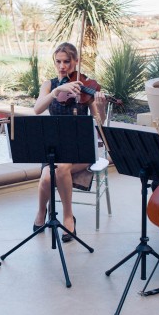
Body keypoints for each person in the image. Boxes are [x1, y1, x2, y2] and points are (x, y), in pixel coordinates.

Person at [32, 42, 107, 242]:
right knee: (48, 175)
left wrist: (100, 106)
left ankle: (67, 216)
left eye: (67, 62)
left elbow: (99, 123)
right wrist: (57, 92)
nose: (62, 66)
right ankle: (42, 212)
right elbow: (37, 109)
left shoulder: (85, 86)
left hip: (81, 148)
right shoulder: (50, 85)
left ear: (76, 61)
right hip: (55, 145)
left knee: (61, 168)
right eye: (58, 62)